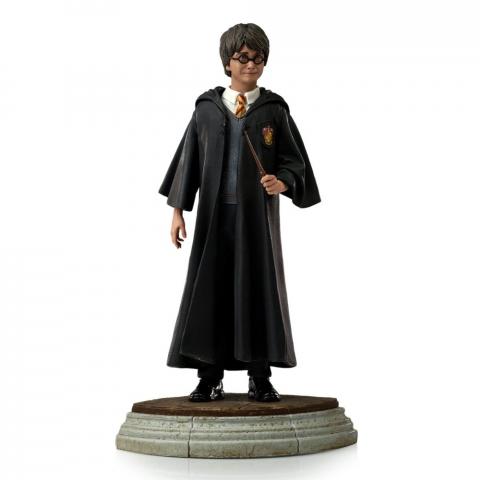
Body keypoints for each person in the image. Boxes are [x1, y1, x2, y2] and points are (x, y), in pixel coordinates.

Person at [159, 23, 321, 402]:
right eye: (243, 57)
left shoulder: (273, 110)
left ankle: (259, 376)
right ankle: (209, 376)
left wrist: (283, 182)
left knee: (258, 290)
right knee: (209, 292)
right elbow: (188, 161)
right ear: (227, 62)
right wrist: (178, 210)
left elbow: (294, 162)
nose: (251, 65)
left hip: (255, 221)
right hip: (214, 220)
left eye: (258, 58)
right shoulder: (206, 110)